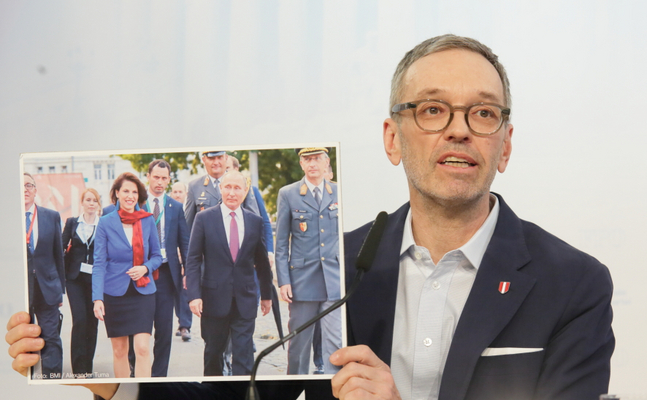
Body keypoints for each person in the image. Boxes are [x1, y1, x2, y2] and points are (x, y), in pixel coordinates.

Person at [7, 34, 614, 400]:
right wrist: (113, 384)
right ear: (392, 138)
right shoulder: (351, 266)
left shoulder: (574, 285)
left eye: (483, 114)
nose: (458, 128)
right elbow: (244, 396)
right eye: (431, 109)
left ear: (505, 144)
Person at [185, 170, 273, 376]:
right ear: (221, 189)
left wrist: (267, 296)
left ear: (245, 192)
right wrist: (194, 296)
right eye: (228, 187)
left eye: (237, 188)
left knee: (244, 356)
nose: (232, 192)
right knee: (214, 354)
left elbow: (261, 262)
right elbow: (193, 259)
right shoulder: (204, 218)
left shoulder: (254, 221)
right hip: (213, 299)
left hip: (245, 299)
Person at [275, 147, 342, 375]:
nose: (312, 163)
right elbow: (282, 243)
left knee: (336, 345)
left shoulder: (339, 192)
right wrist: (283, 281)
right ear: (301, 164)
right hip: (302, 282)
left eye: (316, 158)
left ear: (326, 162)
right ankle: (293, 388)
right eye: (307, 159)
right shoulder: (289, 194)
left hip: (334, 279)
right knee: (299, 348)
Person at [92, 172, 162, 378]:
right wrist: (97, 298)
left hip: (143, 292)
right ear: (117, 193)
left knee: (142, 348)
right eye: (125, 191)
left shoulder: (147, 220)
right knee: (120, 351)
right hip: (114, 293)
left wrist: (145, 267)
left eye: (134, 192)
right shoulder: (105, 222)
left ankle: (144, 394)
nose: (130, 196)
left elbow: (157, 256)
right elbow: (99, 263)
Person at [127, 160, 190, 376]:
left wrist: (188, 271)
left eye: (164, 178)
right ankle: (135, 369)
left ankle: (159, 376)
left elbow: (185, 242)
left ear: (169, 180)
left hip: (165, 274)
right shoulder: (138, 205)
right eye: (156, 177)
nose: (160, 182)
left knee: (163, 328)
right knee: (138, 326)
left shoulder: (176, 207)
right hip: (140, 274)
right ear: (149, 176)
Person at [23, 172, 65, 379]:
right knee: (25, 341)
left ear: (35, 190)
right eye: (20, 186)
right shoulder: (6, 219)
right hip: (21, 290)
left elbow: (59, 255)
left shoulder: (51, 216)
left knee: (51, 337)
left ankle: (53, 381)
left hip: (48, 288)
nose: (25, 189)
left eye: (29, 185)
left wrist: (61, 292)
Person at [61, 188, 102, 377]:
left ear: (98, 204)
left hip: (95, 279)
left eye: (95, 200)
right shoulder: (72, 223)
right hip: (74, 278)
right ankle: (78, 369)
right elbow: (60, 247)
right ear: (82, 203)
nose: (91, 203)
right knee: (80, 320)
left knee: (92, 323)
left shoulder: (103, 225)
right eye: (88, 200)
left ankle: (88, 367)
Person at [185, 150, 229, 229]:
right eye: (211, 158)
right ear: (204, 160)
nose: (216, 162)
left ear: (226, 158)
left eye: (220, 157)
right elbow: (188, 225)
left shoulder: (241, 183)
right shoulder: (194, 186)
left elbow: (252, 220)